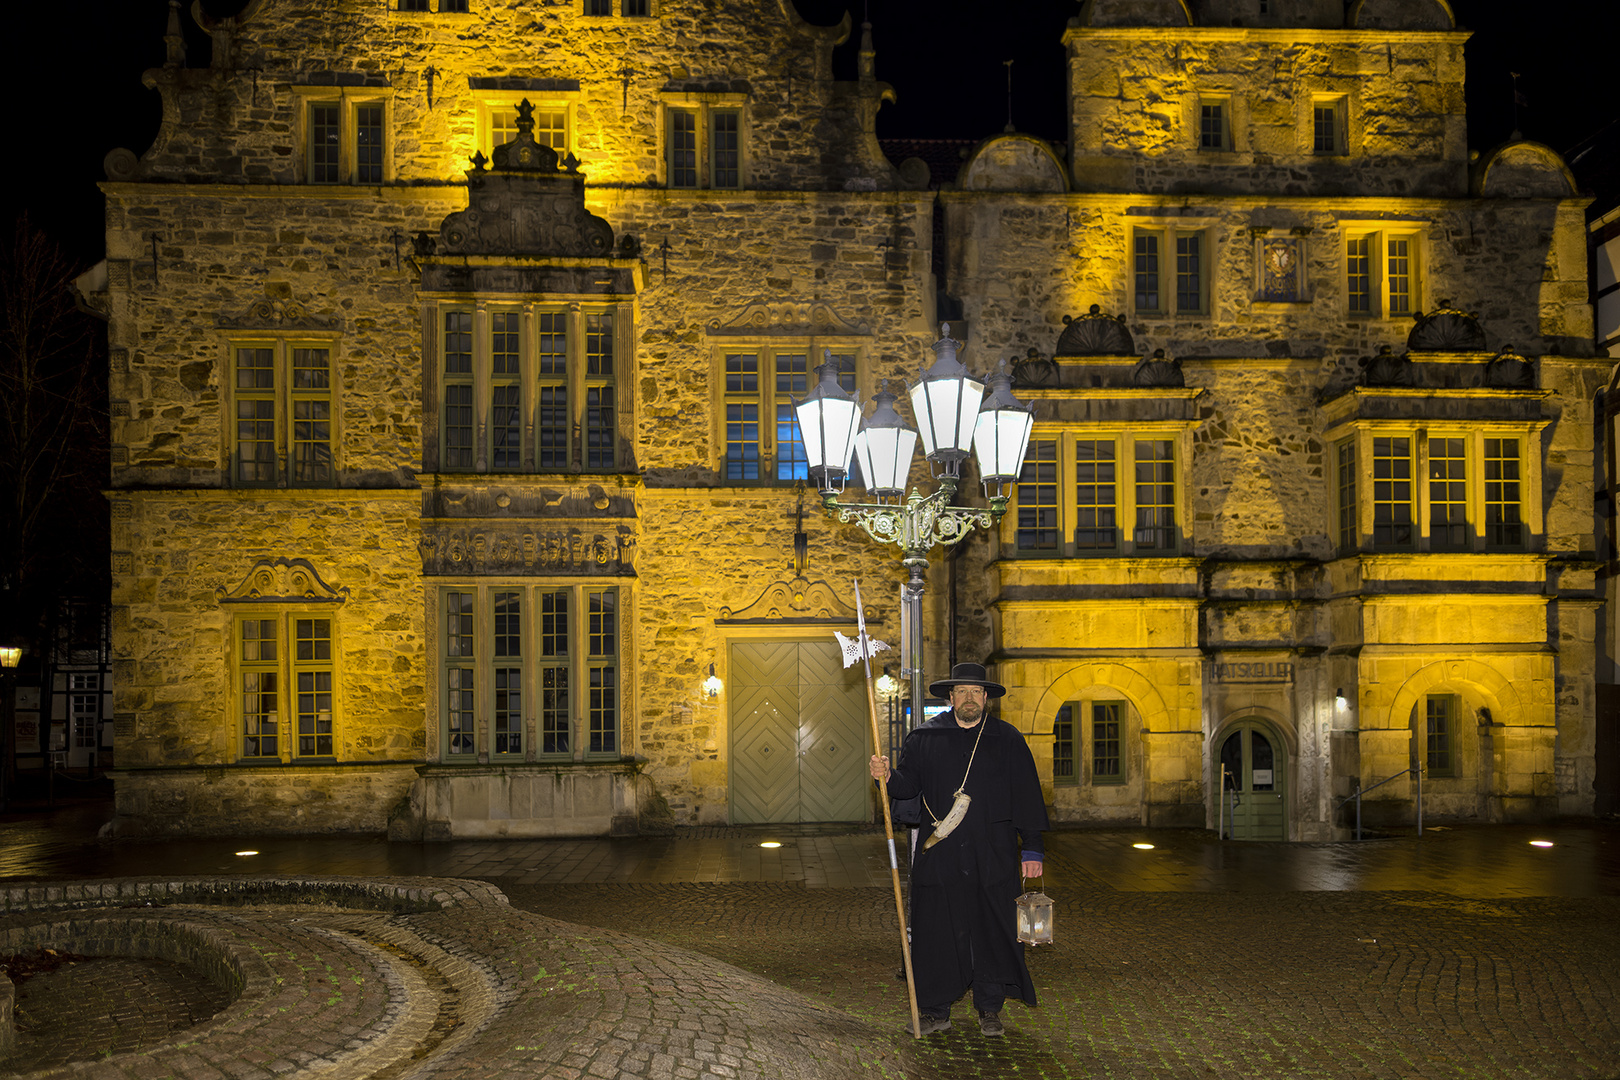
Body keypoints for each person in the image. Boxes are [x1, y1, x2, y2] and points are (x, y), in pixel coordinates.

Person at [869, 662, 1048, 1038]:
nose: (969, 698)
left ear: (987, 699)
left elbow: (1028, 796)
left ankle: (989, 1008)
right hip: (942, 851)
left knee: (993, 928)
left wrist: (1032, 849)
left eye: (976, 692)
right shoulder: (925, 738)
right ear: (950, 697)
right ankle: (935, 1010)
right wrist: (885, 775)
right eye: (962, 692)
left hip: (993, 850)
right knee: (937, 929)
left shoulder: (1007, 739)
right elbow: (905, 786)